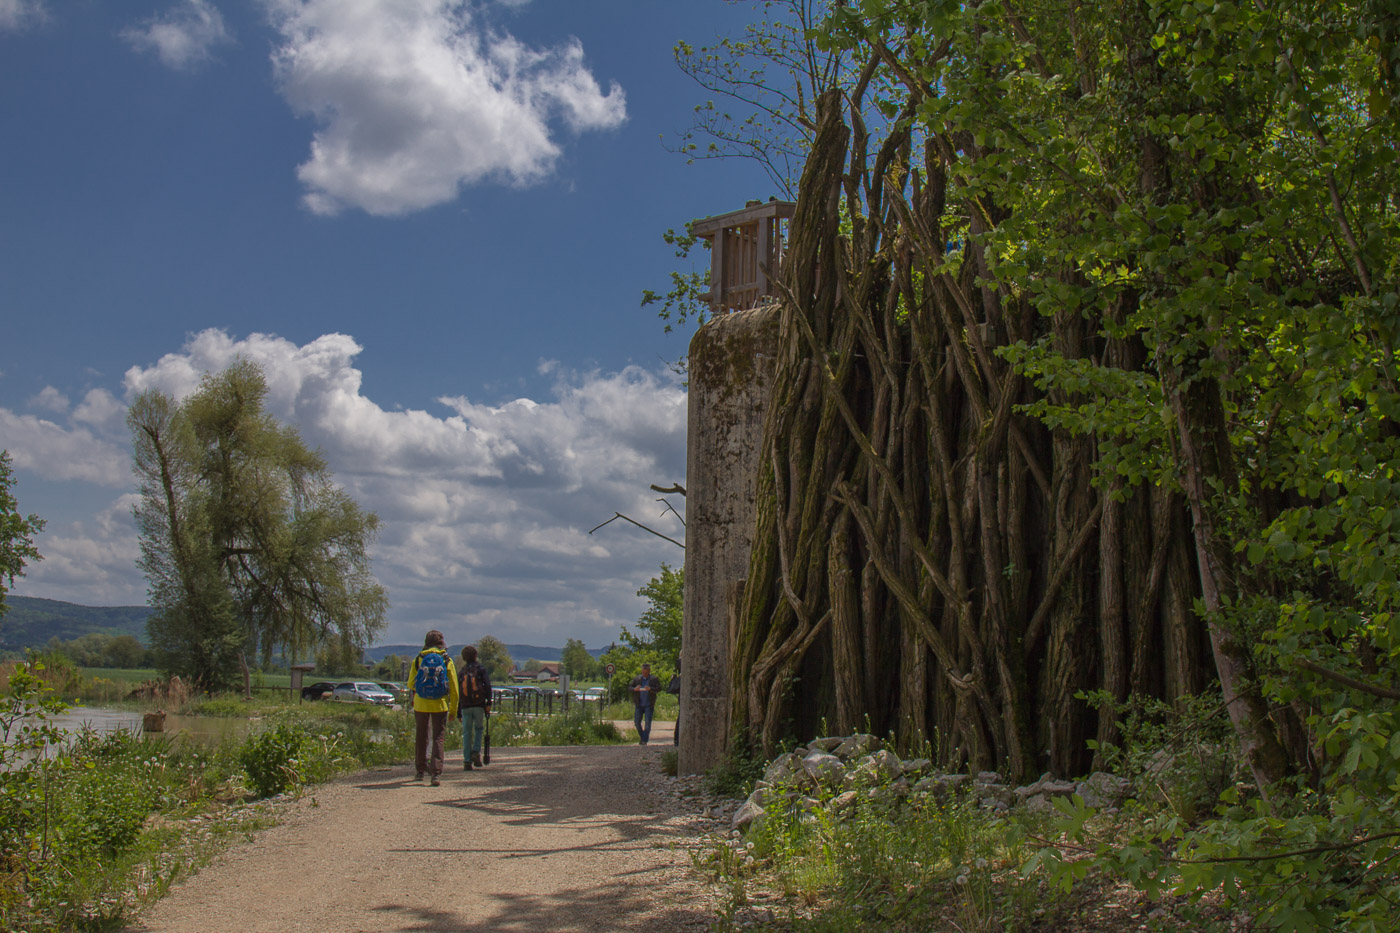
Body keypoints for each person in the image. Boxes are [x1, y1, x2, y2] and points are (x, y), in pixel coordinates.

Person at [406, 630, 458, 786]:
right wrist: (453, 710)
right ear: (441, 643)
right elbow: (454, 688)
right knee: (438, 737)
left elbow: (410, 684)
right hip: (440, 703)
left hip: (421, 703)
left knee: (421, 736)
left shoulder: (419, 659)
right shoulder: (446, 660)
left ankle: (420, 771)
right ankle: (436, 774)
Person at [458, 644, 492, 771]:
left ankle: (467, 760)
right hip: (478, 705)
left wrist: (458, 712)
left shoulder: (462, 672)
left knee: (467, 733)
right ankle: (476, 751)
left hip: (465, 706)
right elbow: (487, 686)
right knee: (479, 728)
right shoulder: (481, 669)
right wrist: (489, 703)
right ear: (475, 655)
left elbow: (459, 691)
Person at [630, 662, 661, 746]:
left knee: (647, 723)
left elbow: (659, 689)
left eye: (646, 671)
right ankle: (643, 737)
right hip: (639, 704)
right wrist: (635, 689)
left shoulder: (654, 679)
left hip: (649, 704)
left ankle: (644, 741)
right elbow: (629, 687)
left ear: (649, 671)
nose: (645, 673)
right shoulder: (637, 679)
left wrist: (650, 689)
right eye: (643, 671)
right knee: (637, 722)